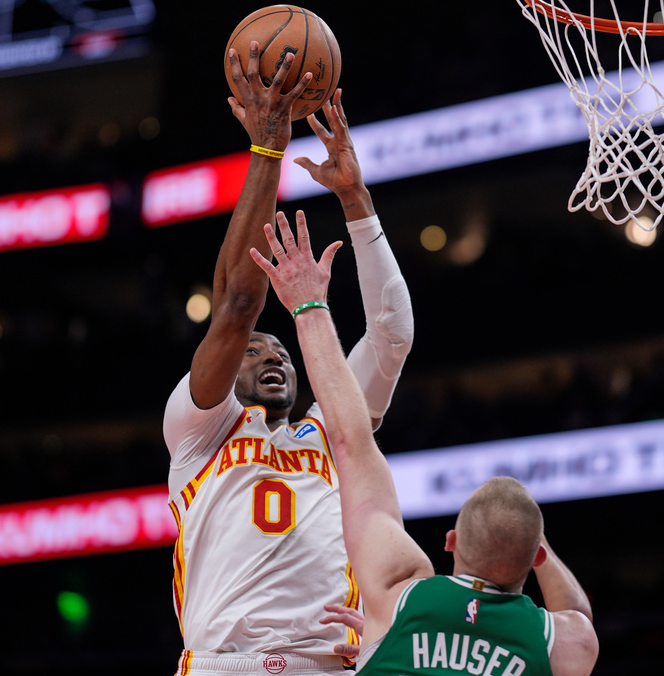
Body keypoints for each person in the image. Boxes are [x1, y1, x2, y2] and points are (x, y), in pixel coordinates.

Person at [251, 210, 599, 676]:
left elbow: (349, 439)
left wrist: (309, 306)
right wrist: (539, 549)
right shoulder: (561, 644)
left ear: (451, 542)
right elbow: (578, 619)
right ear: (533, 557)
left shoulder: (401, 597)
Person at [163, 41, 414, 675]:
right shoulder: (200, 432)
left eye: (283, 350)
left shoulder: (333, 431)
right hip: (226, 664)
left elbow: (391, 334)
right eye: (256, 351)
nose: (273, 355)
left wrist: (357, 203)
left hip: (332, 664)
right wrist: (267, 151)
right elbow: (237, 306)